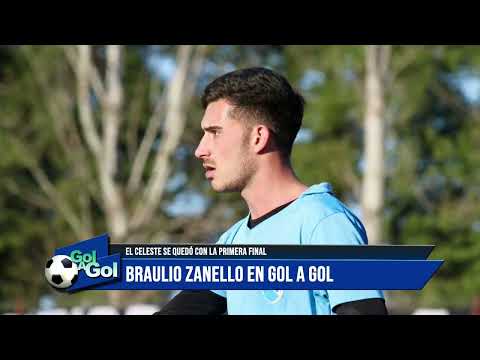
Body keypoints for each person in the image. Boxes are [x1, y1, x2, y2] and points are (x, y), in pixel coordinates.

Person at [155, 67, 388, 315]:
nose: (200, 150)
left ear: (258, 137)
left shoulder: (325, 223)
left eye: (214, 132)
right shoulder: (234, 242)